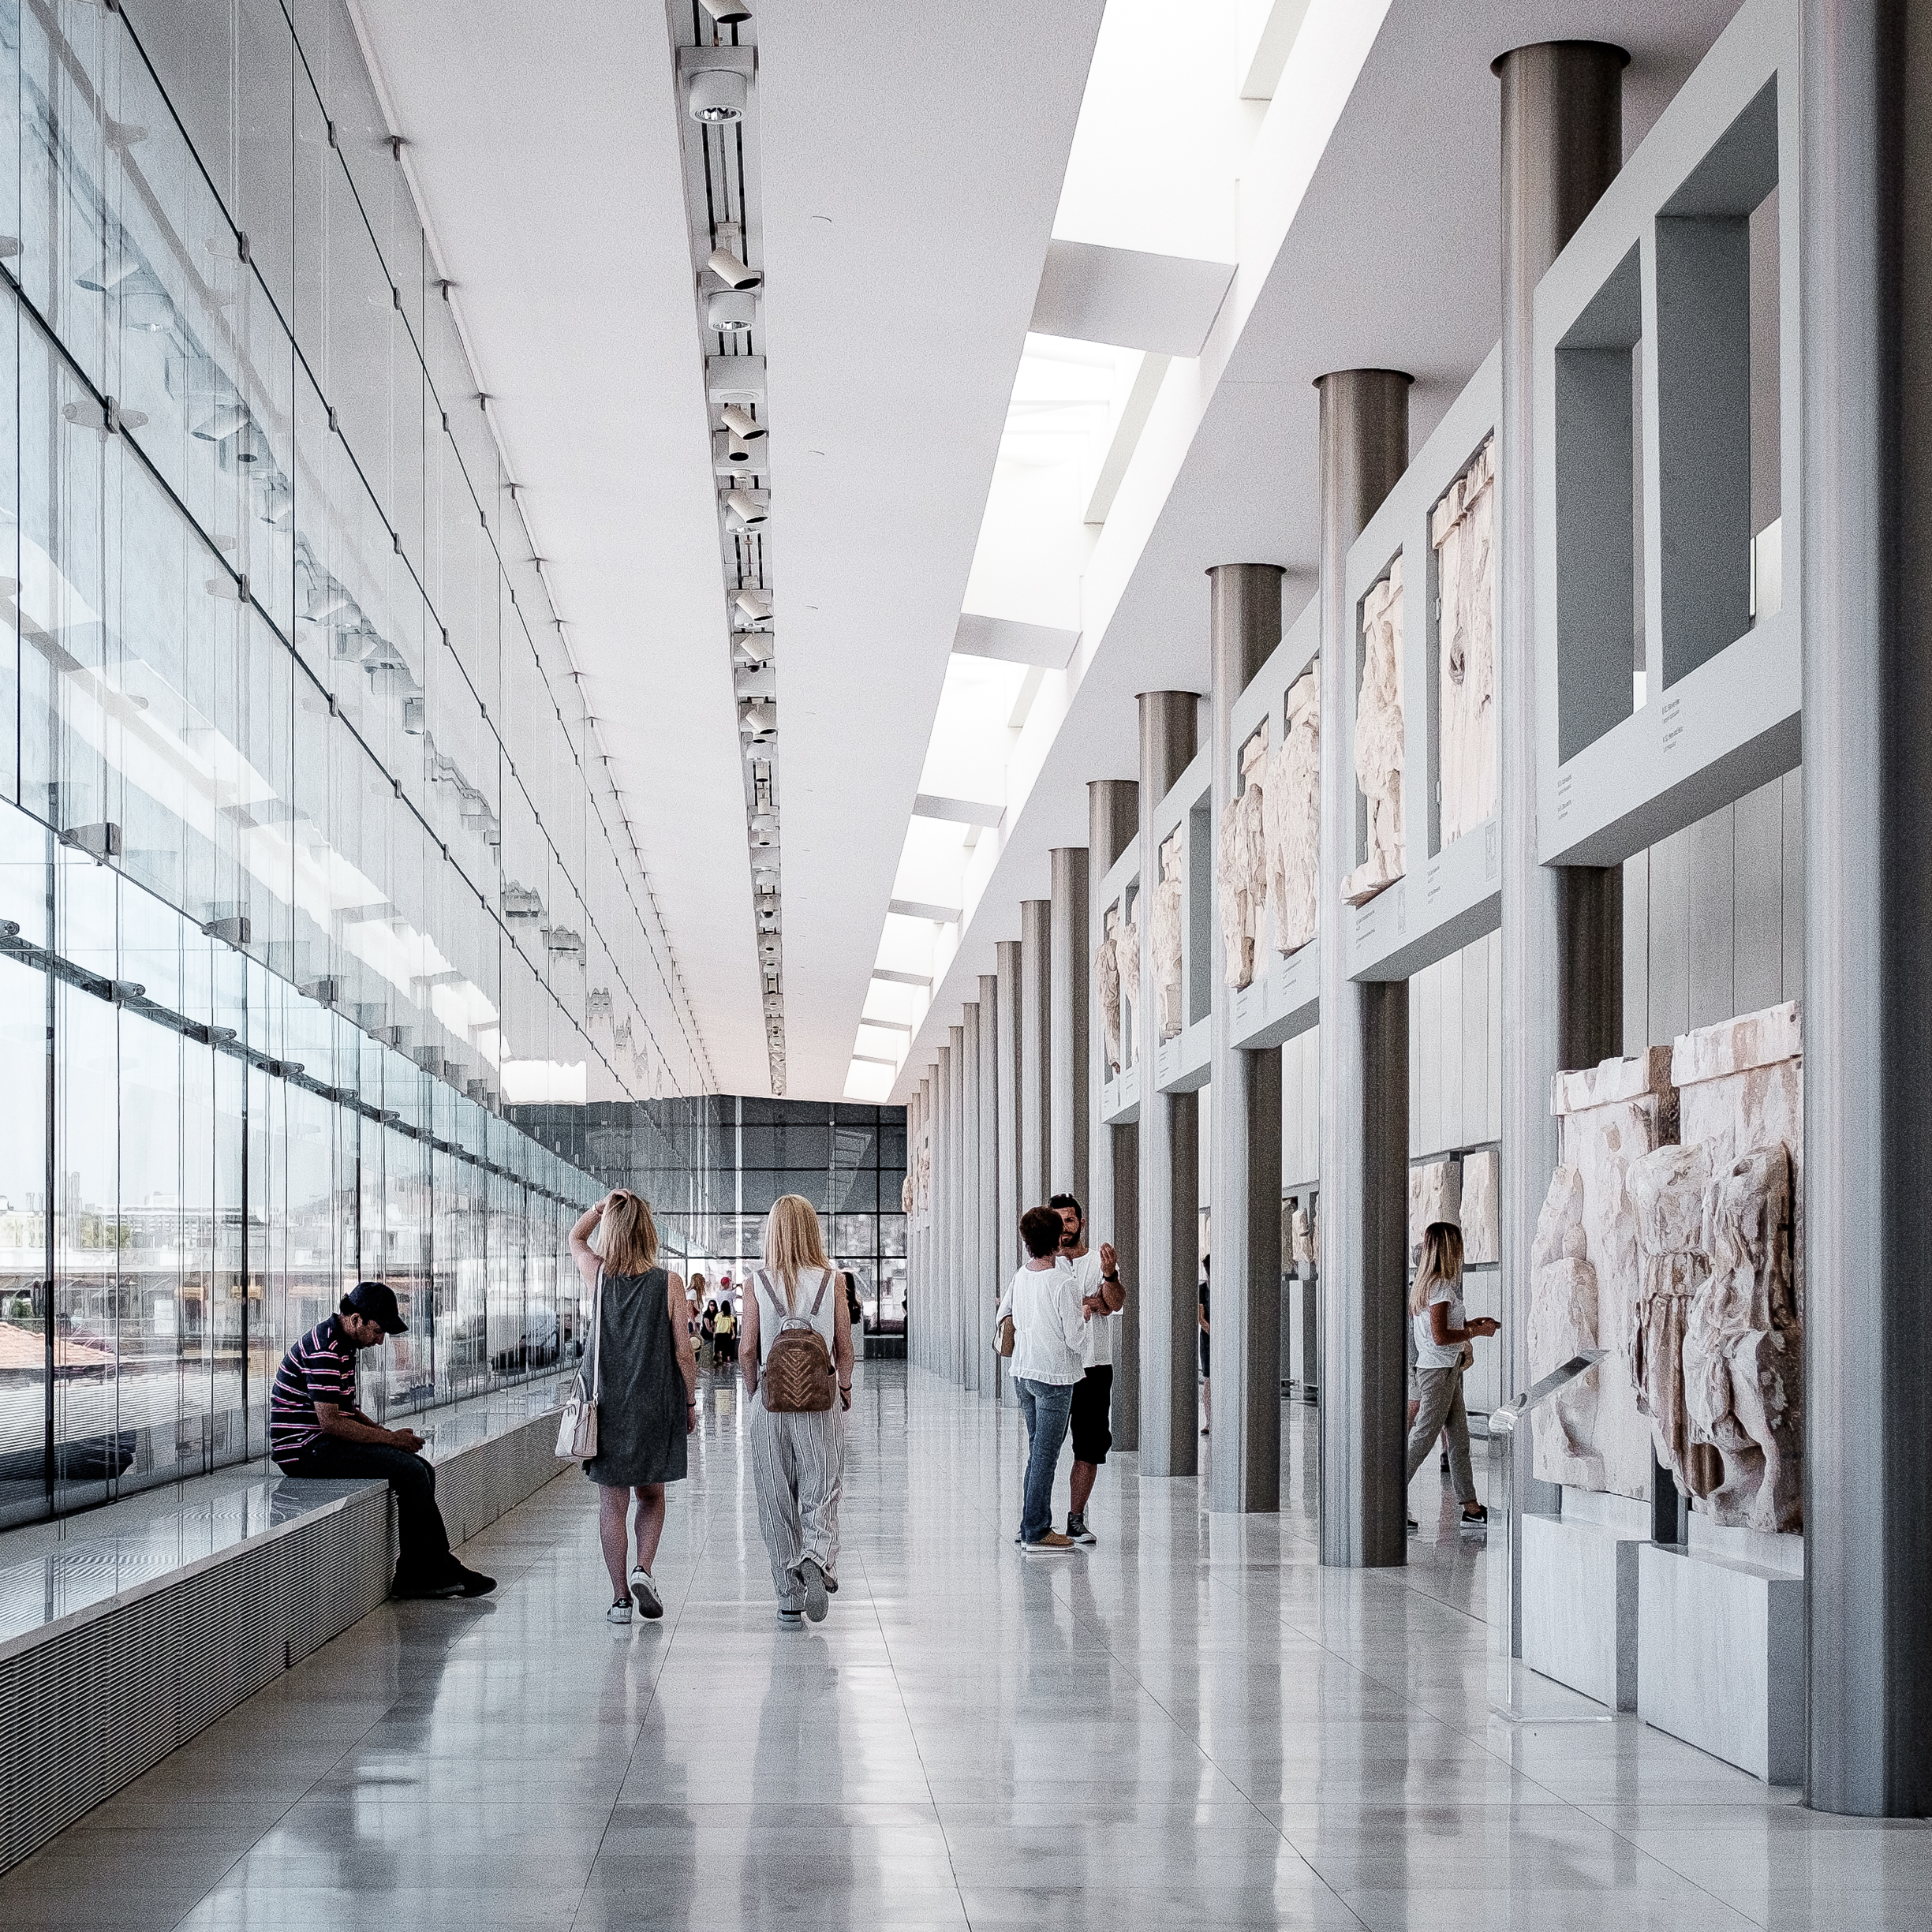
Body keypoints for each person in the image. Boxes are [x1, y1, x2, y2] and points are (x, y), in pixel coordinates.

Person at [271, 1281, 495, 1600]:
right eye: (378, 1331)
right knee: (412, 1471)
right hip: (305, 1450)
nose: (380, 1341)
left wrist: (388, 1436)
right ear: (356, 1318)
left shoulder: (342, 1345)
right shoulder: (325, 1349)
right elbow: (331, 1423)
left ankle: (417, 1572)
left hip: (320, 1442)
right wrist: (389, 1442)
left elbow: (347, 1410)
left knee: (422, 1469)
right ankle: (435, 1569)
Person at [570, 1190, 697, 1623]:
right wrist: (691, 1399)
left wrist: (600, 1208)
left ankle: (621, 1599)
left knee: (612, 1505)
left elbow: (575, 1239)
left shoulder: (599, 1276)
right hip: (655, 1404)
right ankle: (644, 1568)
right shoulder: (669, 1283)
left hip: (607, 1406)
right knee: (652, 1495)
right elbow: (684, 1351)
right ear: (649, 1232)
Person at [741, 1195, 853, 1626]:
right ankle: (817, 1556)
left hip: (770, 1402)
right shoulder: (832, 1279)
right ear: (812, 1229)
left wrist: (756, 1394)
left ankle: (789, 1598)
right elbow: (845, 1350)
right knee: (822, 1486)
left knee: (775, 1498)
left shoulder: (757, 1281)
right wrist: (843, 1388)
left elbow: (748, 1350)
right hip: (819, 1401)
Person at [995, 1205, 1090, 1553]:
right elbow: (1075, 1339)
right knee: (1045, 1455)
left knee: (1038, 1452)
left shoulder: (1021, 1276)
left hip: (1024, 1372)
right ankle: (1036, 1530)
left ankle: (1028, 1524)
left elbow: (1005, 1313)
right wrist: (1083, 1312)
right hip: (1054, 1377)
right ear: (1057, 1238)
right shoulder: (1064, 1283)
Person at [1405, 1220, 1497, 1533]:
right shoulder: (1441, 1287)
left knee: (1459, 1439)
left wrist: (1472, 1322)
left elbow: (1439, 1330)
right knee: (1424, 1438)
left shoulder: (1427, 1285)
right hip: (1438, 1371)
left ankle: (1470, 1506)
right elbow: (1441, 1335)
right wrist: (1476, 1331)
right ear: (1448, 1248)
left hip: (1447, 1368)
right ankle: (1388, 1500)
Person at [1048, 1192, 1123, 1545]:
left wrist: (1109, 1278)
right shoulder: (1043, 1263)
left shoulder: (1098, 1261)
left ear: (1081, 1222)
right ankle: (1038, 1521)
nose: (1065, 1227)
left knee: (1089, 1446)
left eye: (1071, 1220)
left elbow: (1114, 1302)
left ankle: (1076, 1519)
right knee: (1046, 1445)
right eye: (1059, 1220)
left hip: (1094, 1366)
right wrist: (1089, 1302)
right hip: (1055, 1368)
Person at [1198, 1255, 1212, 1436]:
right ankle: (1209, 1421)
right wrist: (1212, 1332)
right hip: (1208, 1339)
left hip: (1221, 1337)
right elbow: (1201, 1318)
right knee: (1208, 1379)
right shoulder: (1203, 1289)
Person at [714, 1295, 737, 1367]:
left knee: (719, 1346)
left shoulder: (718, 1315)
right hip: (727, 1333)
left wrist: (715, 1332)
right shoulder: (731, 1316)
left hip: (719, 1332)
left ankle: (720, 1357)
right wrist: (733, 1333)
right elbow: (732, 1326)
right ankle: (728, 1359)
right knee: (727, 1346)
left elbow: (715, 1324)